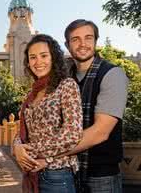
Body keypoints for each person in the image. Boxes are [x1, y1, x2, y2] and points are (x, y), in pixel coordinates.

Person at [32, 19, 129, 193]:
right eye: (75, 39)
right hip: (68, 172)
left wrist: (47, 157)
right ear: (67, 45)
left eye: (88, 38)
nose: (82, 44)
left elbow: (100, 132)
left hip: (101, 177)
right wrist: (18, 145)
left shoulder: (112, 75)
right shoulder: (62, 79)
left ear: (95, 41)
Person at [13, 34, 83, 193]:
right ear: (28, 63)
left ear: (54, 58)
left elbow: (73, 134)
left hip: (57, 175)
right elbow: (23, 132)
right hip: (33, 173)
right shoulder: (31, 95)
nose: (38, 62)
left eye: (44, 55)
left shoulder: (66, 86)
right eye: (33, 57)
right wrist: (17, 146)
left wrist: (29, 151)